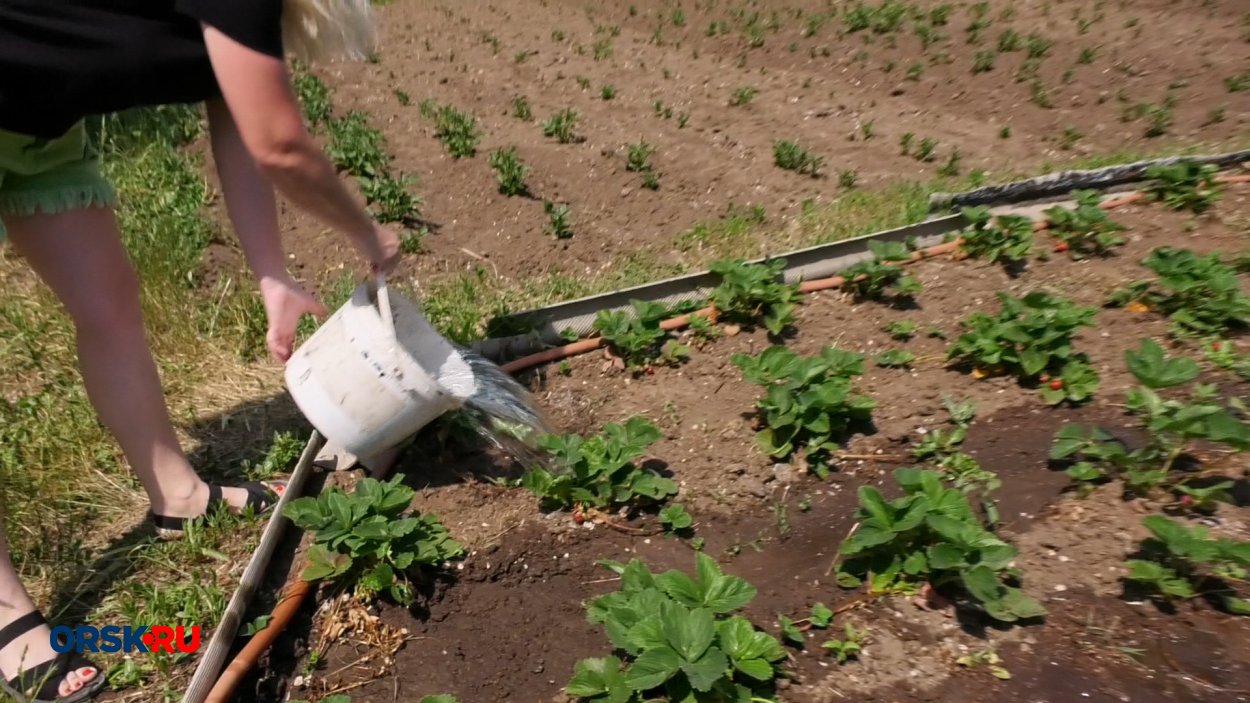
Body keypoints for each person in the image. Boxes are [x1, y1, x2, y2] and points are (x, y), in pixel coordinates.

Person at [0, 1, 399, 700]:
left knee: (111, 304)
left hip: (35, 127)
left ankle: (178, 496)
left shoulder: (240, 16)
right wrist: (370, 237)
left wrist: (272, 272)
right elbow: (281, 143)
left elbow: (243, 131)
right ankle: (6, 618)